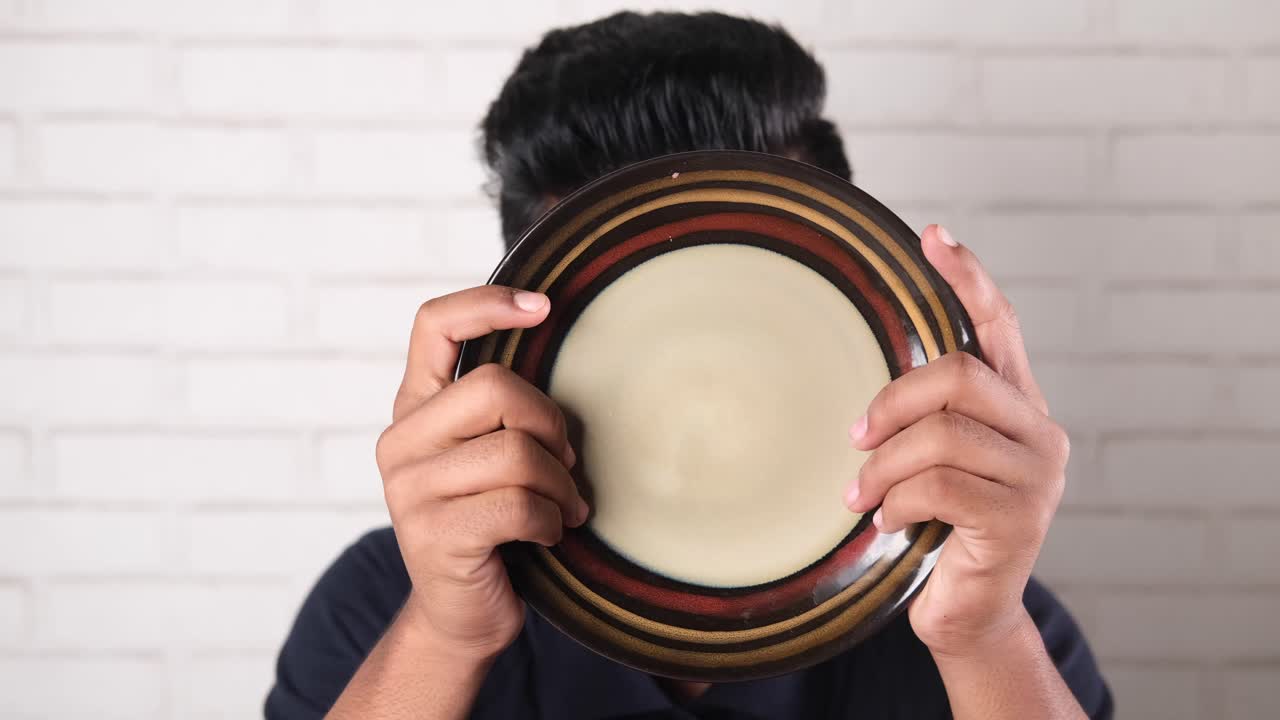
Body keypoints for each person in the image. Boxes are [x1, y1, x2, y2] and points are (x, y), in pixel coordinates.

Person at [266, 11, 1112, 720]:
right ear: (512, 346)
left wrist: (986, 640)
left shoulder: (975, 612)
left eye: (774, 330)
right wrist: (446, 639)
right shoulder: (393, 601)